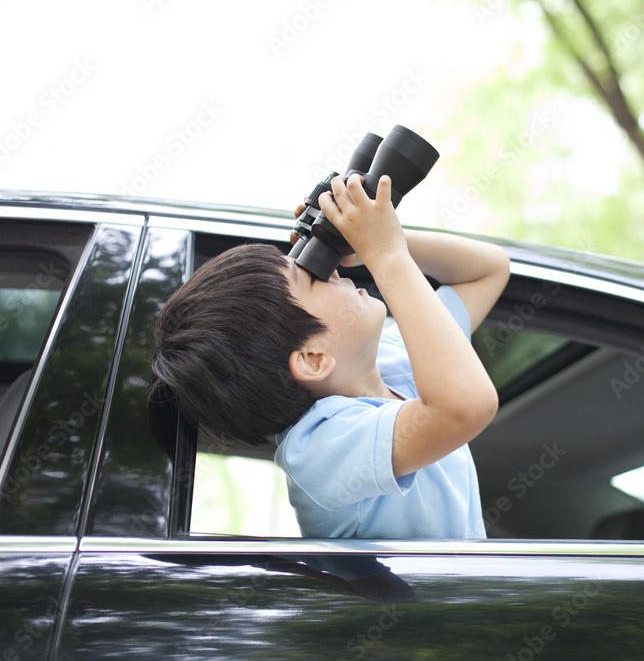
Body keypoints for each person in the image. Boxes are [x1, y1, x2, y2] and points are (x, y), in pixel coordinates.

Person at [150, 172, 509, 540]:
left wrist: (375, 238)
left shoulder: (390, 361)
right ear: (311, 359)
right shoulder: (320, 447)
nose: (332, 270)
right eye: (312, 278)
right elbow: (465, 408)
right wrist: (384, 253)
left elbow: (488, 271)